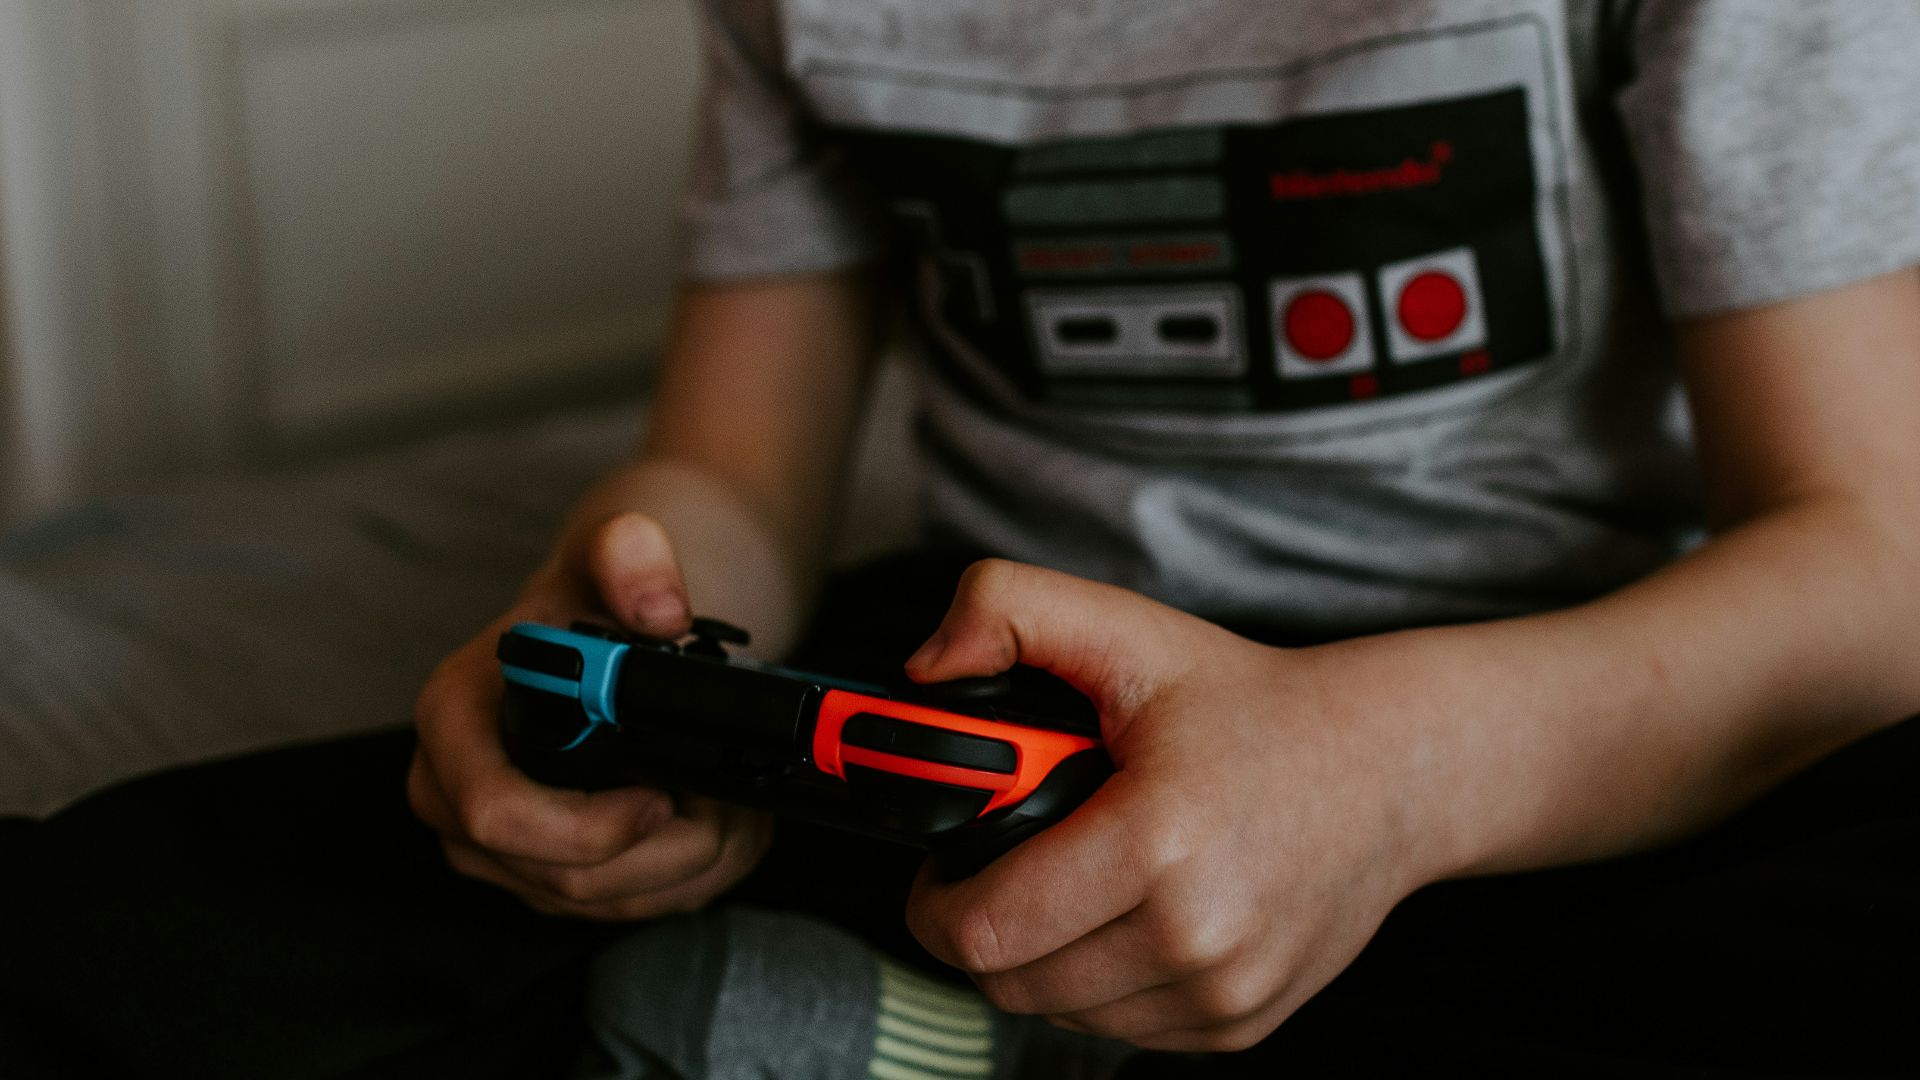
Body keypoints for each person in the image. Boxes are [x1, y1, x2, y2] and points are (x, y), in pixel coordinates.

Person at [5, 1, 1920, 1076]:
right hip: (990, 711)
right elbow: (732, 475)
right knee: (114, 918)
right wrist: (629, 625)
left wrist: (1393, 780)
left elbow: (1866, 565)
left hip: (1581, 719)